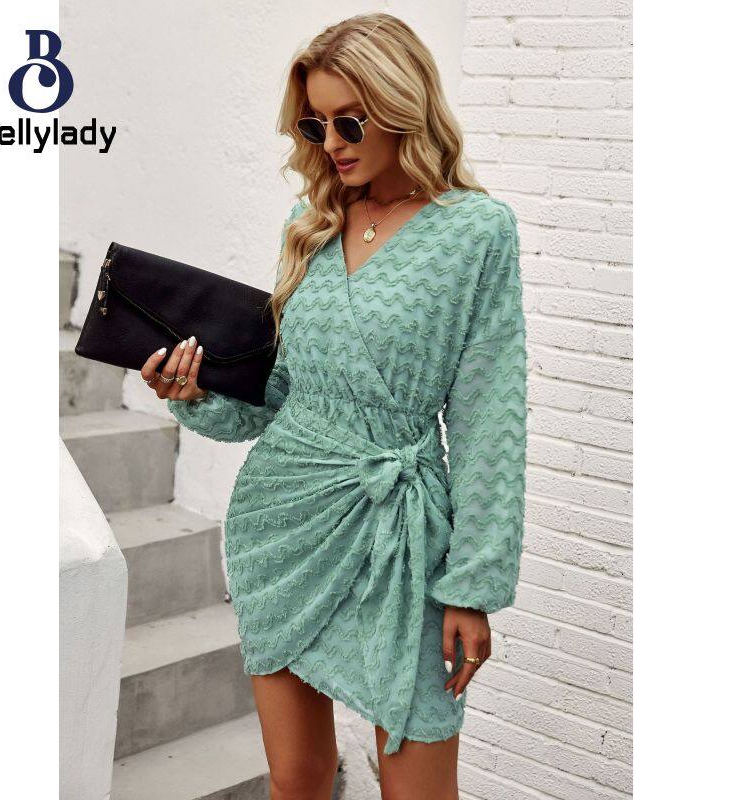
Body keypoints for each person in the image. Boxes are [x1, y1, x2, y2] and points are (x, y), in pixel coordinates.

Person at [140, 12, 527, 800]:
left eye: (350, 121)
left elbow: (491, 420)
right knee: (299, 779)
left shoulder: (476, 232)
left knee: (419, 787)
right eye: (315, 125)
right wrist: (195, 393)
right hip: (282, 521)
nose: (332, 143)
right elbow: (278, 397)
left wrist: (472, 585)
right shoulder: (308, 223)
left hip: (401, 537)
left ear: (402, 106)